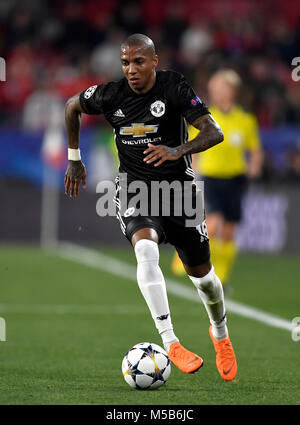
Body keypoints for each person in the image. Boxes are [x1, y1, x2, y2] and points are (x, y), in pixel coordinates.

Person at [64, 34, 237, 381]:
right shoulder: (111, 95)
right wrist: (74, 158)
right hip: (135, 191)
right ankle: (170, 340)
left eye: (139, 61)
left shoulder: (174, 87)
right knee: (146, 249)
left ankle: (220, 334)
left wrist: (177, 150)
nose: (131, 69)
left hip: (179, 193)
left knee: (205, 280)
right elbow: (71, 106)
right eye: (125, 63)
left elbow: (213, 131)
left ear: (154, 61)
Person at [171, 69, 263, 290]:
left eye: (222, 89)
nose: (218, 93)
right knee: (212, 222)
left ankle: (221, 276)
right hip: (211, 176)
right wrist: (189, 167)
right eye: (215, 89)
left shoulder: (246, 120)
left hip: (236, 178)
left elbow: (255, 149)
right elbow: (190, 145)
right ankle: (187, 257)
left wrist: (254, 166)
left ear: (232, 91)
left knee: (230, 229)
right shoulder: (206, 117)